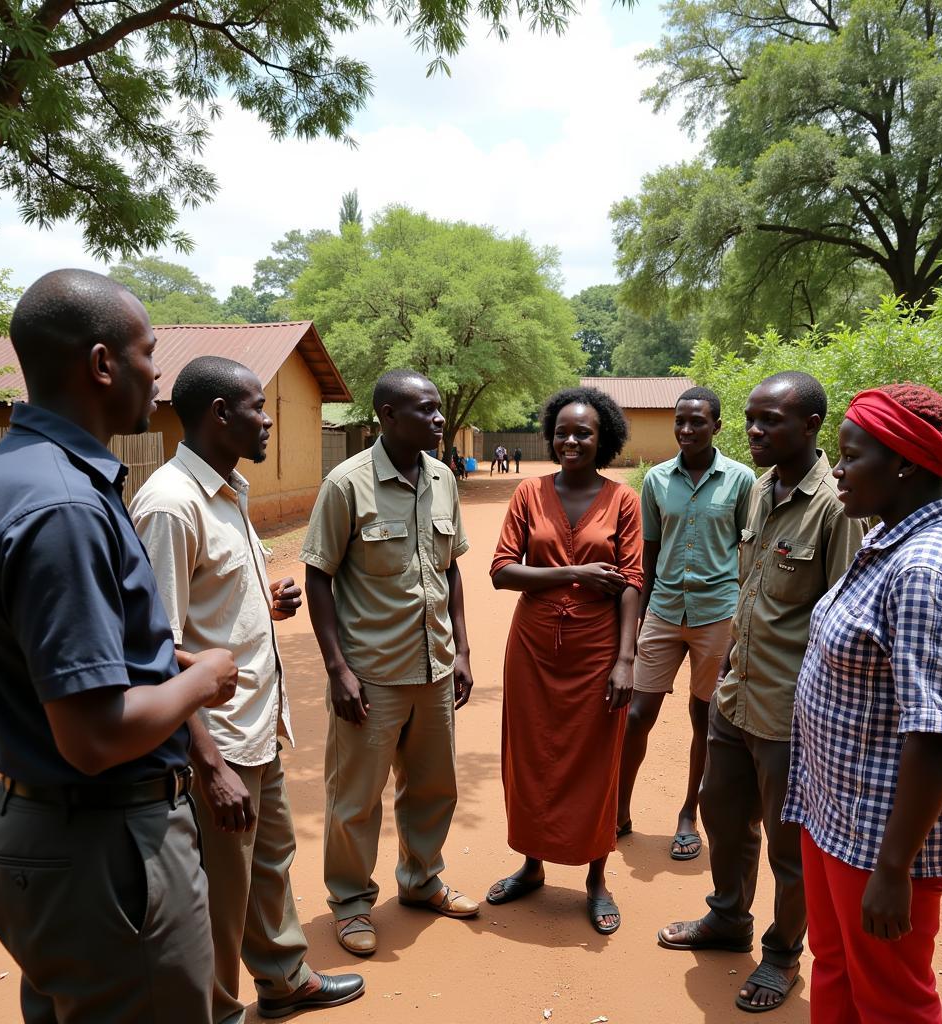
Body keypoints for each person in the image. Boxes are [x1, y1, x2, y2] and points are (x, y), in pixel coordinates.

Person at [0, 269, 240, 1022]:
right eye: (150, 353)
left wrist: (157, 665)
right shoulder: (63, 505)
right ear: (102, 364)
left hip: (57, 838)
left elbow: (54, 663)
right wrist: (202, 679)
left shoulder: (16, 475)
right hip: (106, 846)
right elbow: (92, 736)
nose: (159, 376)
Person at [130, 356, 365, 1021]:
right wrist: (208, 763)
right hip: (218, 744)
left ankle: (284, 978)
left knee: (269, 862)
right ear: (218, 415)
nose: (269, 420)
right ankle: (217, 1010)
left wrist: (265, 600)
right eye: (259, 407)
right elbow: (154, 649)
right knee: (220, 893)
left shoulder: (227, 490)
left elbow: (207, 609)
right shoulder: (172, 506)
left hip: (255, 728)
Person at [658, 371, 866, 1014]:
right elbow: (751, 591)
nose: (754, 430)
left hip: (791, 714)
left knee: (788, 845)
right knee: (722, 813)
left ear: (809, 426)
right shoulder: (759, 490)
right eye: (750, 418)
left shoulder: (836, 507)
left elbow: (846, 621)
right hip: (736, 696)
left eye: (769, 421)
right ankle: (728, 918)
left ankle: (781, 954)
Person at [784, 384, 942, 1024]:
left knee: (893, 998)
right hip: (839, 812)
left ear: (902, 463)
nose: (836, 471)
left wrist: (894, 869)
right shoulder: (887, 540)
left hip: (881, 836)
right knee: (836, 963)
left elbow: (937, 733)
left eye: (849, 457)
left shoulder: (924, 569)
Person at [301, 368, 478, 957]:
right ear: (387, 416)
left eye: (437, 409)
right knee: (356, 797)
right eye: (425, 410)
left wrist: (463, 651)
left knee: (433, 787)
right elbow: (319, 574)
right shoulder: (347, 484)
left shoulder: (443, 478)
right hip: (370, 674)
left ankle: (421, 880)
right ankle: (351, 903)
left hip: (433, 669)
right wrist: (337, 670)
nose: (437, 418)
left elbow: (450, 567)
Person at [486, 386, 643, 934]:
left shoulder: (623, 500)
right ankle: (532, 864)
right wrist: (572, 574)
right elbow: (502, 570)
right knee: (529, 755)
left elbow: (631, 583)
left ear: (604, 440)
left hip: (599, 649)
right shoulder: (529, 493)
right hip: (532, 646)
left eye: (584, 433)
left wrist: (626, 660)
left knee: (598, 757)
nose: (571, 440)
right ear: (551, 434)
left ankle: (597, 877)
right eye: (563, 431)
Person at [617, 386, 754, 859]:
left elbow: (749, 550)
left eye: (697, 422)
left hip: (718, 612)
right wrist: (637, 621)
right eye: (680, 421)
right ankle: (618, 809)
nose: (686, 429)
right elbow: (649, 551)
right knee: (637, 714)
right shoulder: (656, 480)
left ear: (717, 426)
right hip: (664, 609)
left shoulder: (740, 480)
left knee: (706, 718)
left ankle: (687, 815)